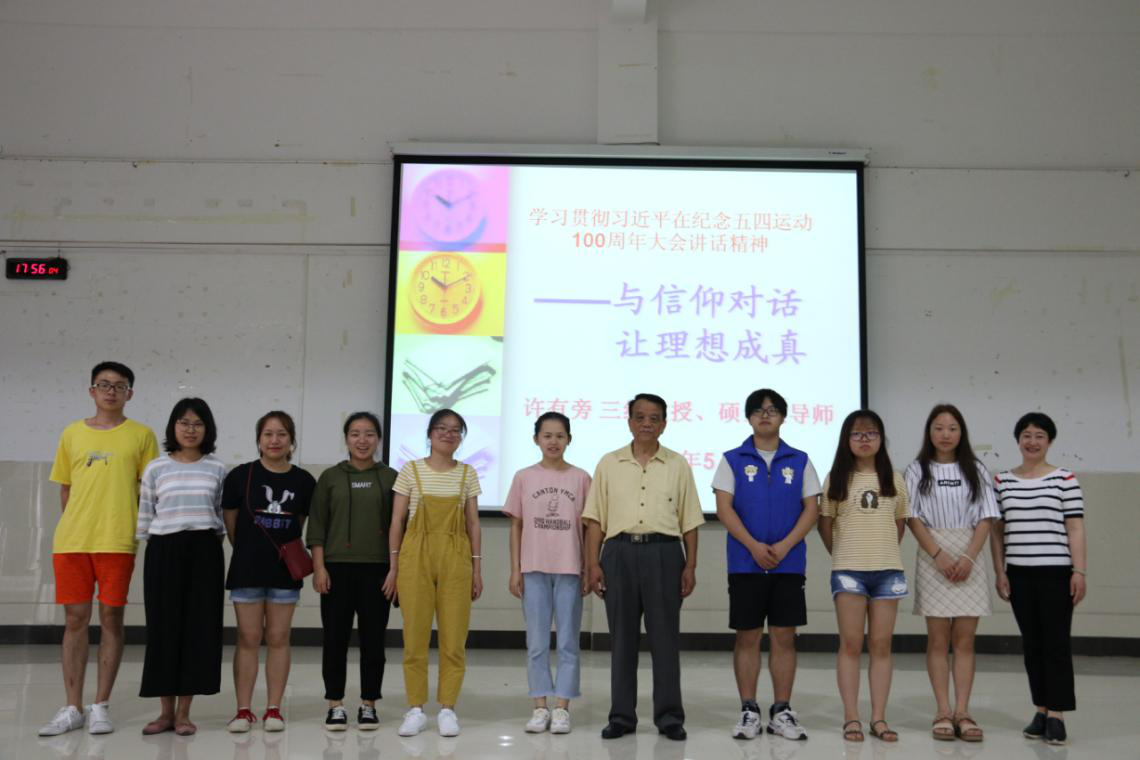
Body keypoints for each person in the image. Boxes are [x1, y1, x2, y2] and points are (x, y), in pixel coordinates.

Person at [40, 362, 159, 738]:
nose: (111, 391)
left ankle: (100, 705)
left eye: (119, 386)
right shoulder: (72, 433)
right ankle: (72, 707)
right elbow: (66, 489)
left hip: (117, 541)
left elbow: (149, 491)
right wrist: (77, 525)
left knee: (111, 619)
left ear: (129, 394)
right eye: (104, 384)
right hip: (72, 542)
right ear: (91, 390)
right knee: (74, 620)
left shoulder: (142, 435)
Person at [582, 393, 704, 741]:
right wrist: (592, 563)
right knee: (622, 640)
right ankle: (621, 716)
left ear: (664, 423)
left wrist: (691, 566)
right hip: (618, 553)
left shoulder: (678, 464)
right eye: (640, 417)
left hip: (665, 554)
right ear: (629, 421)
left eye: (654, 418)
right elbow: (595, 519)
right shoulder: (609, 463)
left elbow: (690, 521)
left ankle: (669, 717)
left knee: (665, 640)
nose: (646, 423)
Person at [711, 389, 820, 741]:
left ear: (783, 417)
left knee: (784, 637)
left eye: (772, 410)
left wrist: (785, 546)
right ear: (748, 418)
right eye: (758, 410)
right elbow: (724, 508)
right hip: (746, 563)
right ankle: (748, 709)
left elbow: (812, 509)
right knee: (748, 636)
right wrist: (754, 546)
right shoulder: (732, 459)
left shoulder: (800, 460)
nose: (765, 415)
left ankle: (782, 710)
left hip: (789, 564)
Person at [382, 409, 483, 738]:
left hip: (456, 558)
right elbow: (397, 521)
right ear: (429, 433)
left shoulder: (467, 473)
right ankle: (415, 709)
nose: (448, 434)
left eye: (455, 430)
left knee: (454, 638)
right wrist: (394, 566)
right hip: (415, 558)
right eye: (441, 428)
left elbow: (473, 523)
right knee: (415, 638)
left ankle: (447, 708)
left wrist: (477, 568)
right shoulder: (410, 470)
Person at [989, 412, 1087, 746]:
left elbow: (1075, 528)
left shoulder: (1064, 479)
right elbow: (997, 532)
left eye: (1039, 436)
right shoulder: (1002, 481)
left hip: (1056, 573)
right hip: (1019, 573)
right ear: (1018, 440)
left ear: (1050, 441)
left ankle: (1057, 714)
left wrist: (1079, 571)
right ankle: (1041, 710)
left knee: (1055, 644)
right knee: (1032, 645)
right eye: (1026, 435)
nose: (1032, 442)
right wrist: (1000, 571)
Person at [904, 404, 999, 742]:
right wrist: (939, 555)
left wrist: (969, 557)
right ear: (929, 432)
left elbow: (986, 516)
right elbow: (911, 517)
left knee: (964, 640)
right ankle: (942, 711)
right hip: (934, 556)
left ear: (962, 433)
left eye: (952, 428)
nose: (945, 434)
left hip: (969, 555)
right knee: (938, 639)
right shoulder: (916, 470)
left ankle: (963, 711)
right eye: (939, 428)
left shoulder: (977, 469)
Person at [136, 398, 227, 736]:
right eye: (184, 423)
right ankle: (164, 713)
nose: (191, 430)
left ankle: (185, 713)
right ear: (173, 426)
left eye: (198, 424)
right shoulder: (156, 468)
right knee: (163, 628)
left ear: (208, 429)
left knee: (197, 629)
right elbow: (146, 515)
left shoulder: (217, 468)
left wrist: (205, 544)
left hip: (204, 550)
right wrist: (160, 546)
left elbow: (220, 516)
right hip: (163, 550)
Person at [222, 411, 316, 733]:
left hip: (284, 573)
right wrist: (250, 550)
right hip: (247, 569)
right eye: (268, 434)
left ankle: (273, 709)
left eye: (282, 434)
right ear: (259, 439)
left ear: (291, 440)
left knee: (278, 637)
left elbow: (298, 524)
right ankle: (243, 710)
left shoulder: (304, 481)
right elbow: (231, 524)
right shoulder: (240, 476)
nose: (275, 440)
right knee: (247, 638)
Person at [818, 409, 908, 743]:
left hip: (888, 572)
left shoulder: (894, 478)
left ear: (881, 438)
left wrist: (880, 552)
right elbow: (825, 525)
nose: (864, 439)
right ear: (847, 440)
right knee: (851, 644)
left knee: (881, 645)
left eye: (871, 433)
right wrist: (845, 554)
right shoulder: (836, 478)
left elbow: (899, 524)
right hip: (848, 572)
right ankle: (851, 717)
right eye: (857, 434)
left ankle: (879, 718)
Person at [306, 412, 398, 731]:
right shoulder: (330, 477)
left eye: (369, 434)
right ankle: (335, 704)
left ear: (378, 439)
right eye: (355, 434)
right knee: (335, 639)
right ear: (346, 439)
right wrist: (319, 567)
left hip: (378, 570)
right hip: (335, 570)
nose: (362, 440)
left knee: (374, 640)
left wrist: (396, 571)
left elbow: (400, 528)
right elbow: (317, 526)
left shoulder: (391, 477)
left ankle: (369, 704)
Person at [503, 412, 591, 735]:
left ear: (569, 439)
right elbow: (516, 526)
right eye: (547, 435)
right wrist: (516, 569)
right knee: (537, 643)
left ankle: (563, 707)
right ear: (536, 439)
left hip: (570, 570)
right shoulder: (523, 477)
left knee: (568, 642)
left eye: (560, 436)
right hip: (533, 569)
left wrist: (588, 568)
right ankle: (540, 707)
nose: (554, 441)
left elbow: (589, 528)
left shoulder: (581, 478)